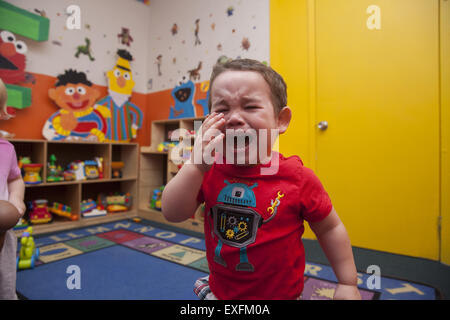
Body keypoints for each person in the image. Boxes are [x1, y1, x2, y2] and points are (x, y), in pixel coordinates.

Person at [161, 59, 361, 300]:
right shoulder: (206, 169)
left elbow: (330, 227)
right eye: (222, 110)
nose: (233, 118)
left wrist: (347, 282)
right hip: (221, 294)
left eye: (250, 106)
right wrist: (194, 166)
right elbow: (172, 213)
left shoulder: (297, 178)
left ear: (280, 120)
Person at [0, 78, 26, 300]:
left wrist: (16, 198)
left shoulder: (6, 148)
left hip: (2, 229)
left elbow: (14, 178)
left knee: (5, 283)